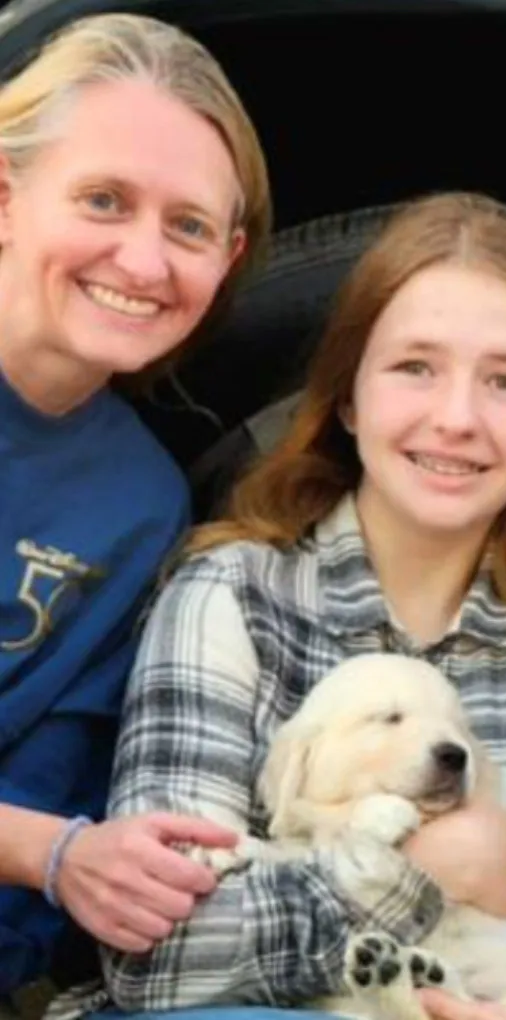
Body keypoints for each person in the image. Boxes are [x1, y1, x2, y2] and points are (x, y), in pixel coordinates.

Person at [52, 191, 506, 1020]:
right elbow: (156, 956)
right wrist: (420, 871)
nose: (456, 419)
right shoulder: (230, 595)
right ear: (347, 397)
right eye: (415, 368)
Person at [0, 12, 271, 1010]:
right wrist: (51, 854)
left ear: (229, 257)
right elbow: (46, 843)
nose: (146, 263)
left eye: (189, 227)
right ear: (3, 195)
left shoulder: (142, 506)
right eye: (104, 200)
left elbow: (54, 779)